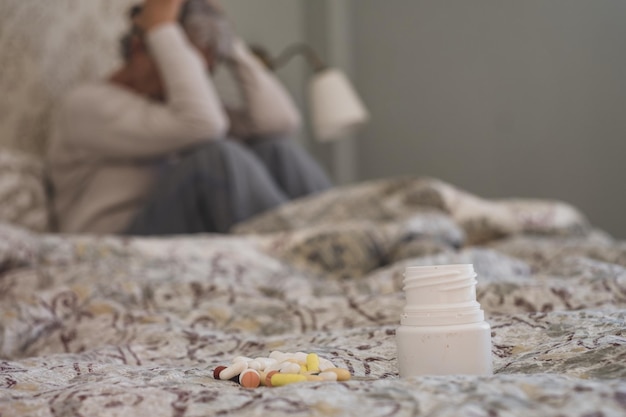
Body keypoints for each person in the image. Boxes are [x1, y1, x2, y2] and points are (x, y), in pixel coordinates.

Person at [47, 0, 331, 236]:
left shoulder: (175, 111)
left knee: (275, 150)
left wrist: (231, 44)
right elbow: (204, 125)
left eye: (202, 72)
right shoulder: (86, 105)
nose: (193, 80)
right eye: (183, 64)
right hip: (114, 244)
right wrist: (160, 27)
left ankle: (343, 236)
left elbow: (280, 123)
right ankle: (306, 251)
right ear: (139, 51)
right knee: (216, 159)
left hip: (176, 232)